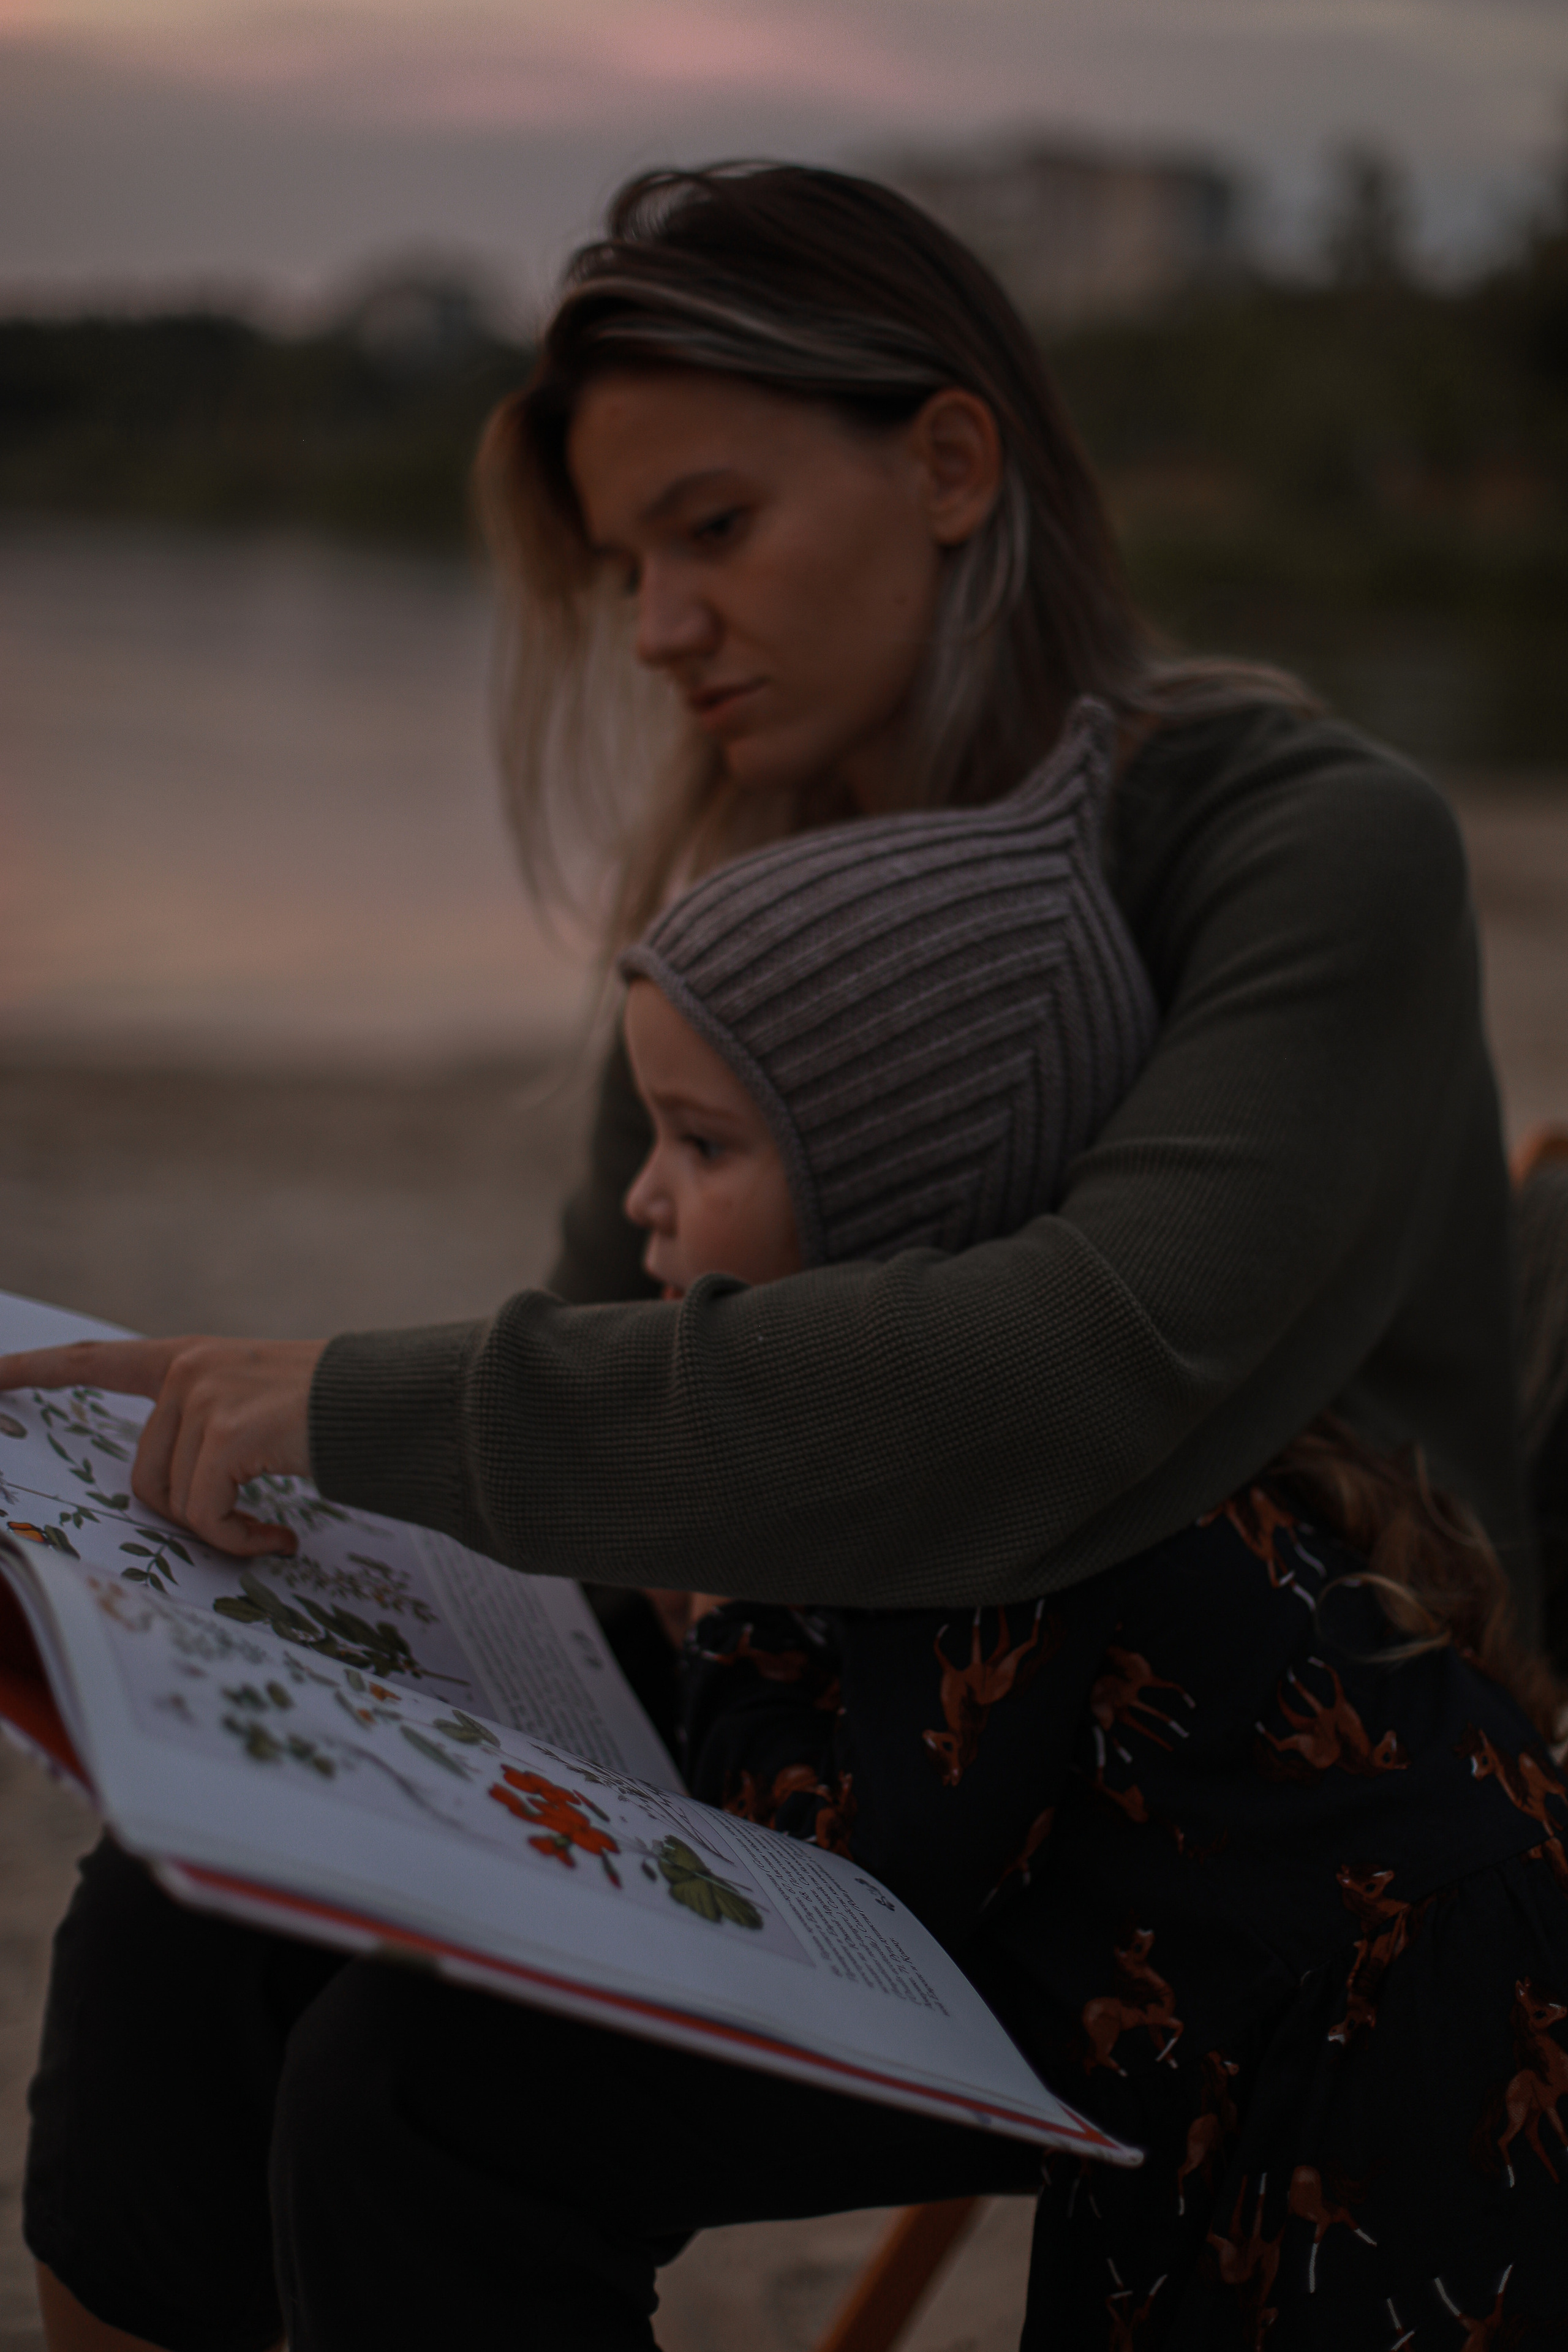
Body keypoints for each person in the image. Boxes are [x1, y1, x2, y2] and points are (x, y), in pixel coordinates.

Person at [0, 162, 1542, 2349]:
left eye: (710, 531)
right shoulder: (758, 884)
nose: (653, 629)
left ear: (947, 462)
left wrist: (350, 1400)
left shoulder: (1311, 842)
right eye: (630, 566)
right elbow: (613, 1414)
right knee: (182, 1911)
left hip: (1235, 1791)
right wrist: (216, 1619)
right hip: (844, 1715)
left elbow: (1088, 1365)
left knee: (429, 2096)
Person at [605, 728, 1567, 2339]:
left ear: (892, 1201)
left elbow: (851, 1884)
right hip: (1308, 1984)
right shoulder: (1004, 1411)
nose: (639, 1196)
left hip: (1381, 2056)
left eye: (700, 1144)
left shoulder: (991, 1470)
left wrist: (717, 1625)